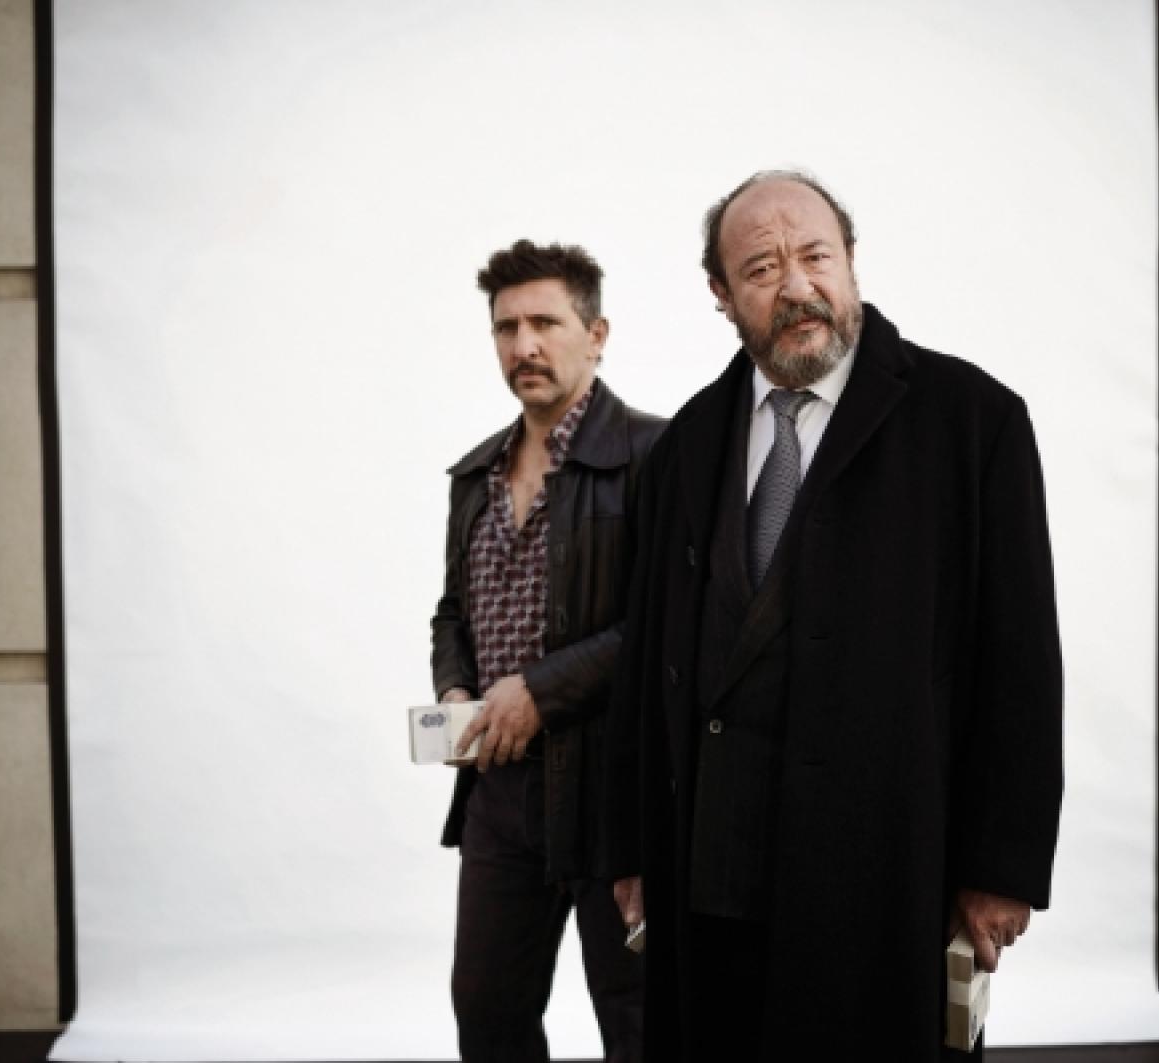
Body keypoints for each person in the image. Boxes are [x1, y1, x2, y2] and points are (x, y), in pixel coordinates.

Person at [606, 172, 1064, 1061]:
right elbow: (645, 661)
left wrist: (1000, 866)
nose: (797, 287)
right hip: (708, 879)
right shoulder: (683, 447)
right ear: (720, 293)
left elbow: (1020, 665)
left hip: (885, 872)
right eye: (761, 269)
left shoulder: (973, 423)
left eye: (816, 256)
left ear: (851, 261)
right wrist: (633, 849)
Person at [430, 239, 664, 1063]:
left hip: (615, 793)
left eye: (544, 323)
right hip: (498, 792)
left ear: (596, 335)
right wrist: (456, 689)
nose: (523, 345)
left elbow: (667, 626)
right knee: (487, 1013)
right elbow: (451, 614)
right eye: (506, 327)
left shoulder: (655, 456)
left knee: (639, 1021)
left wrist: (540, 689)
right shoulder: (476, 475)